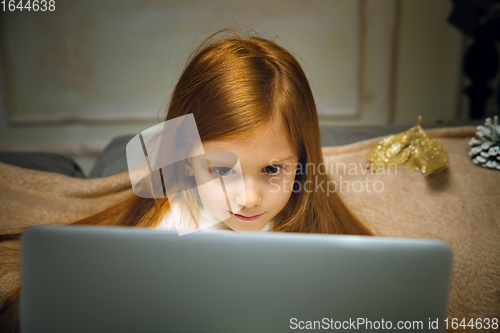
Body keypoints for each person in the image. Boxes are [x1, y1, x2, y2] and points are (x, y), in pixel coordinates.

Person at [0, 27, 372, 324]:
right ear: (183, 155)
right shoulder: (165, 236)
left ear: (304, 161)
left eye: (272, 169)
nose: (249, 198)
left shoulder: (318, 230)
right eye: (221, 169)